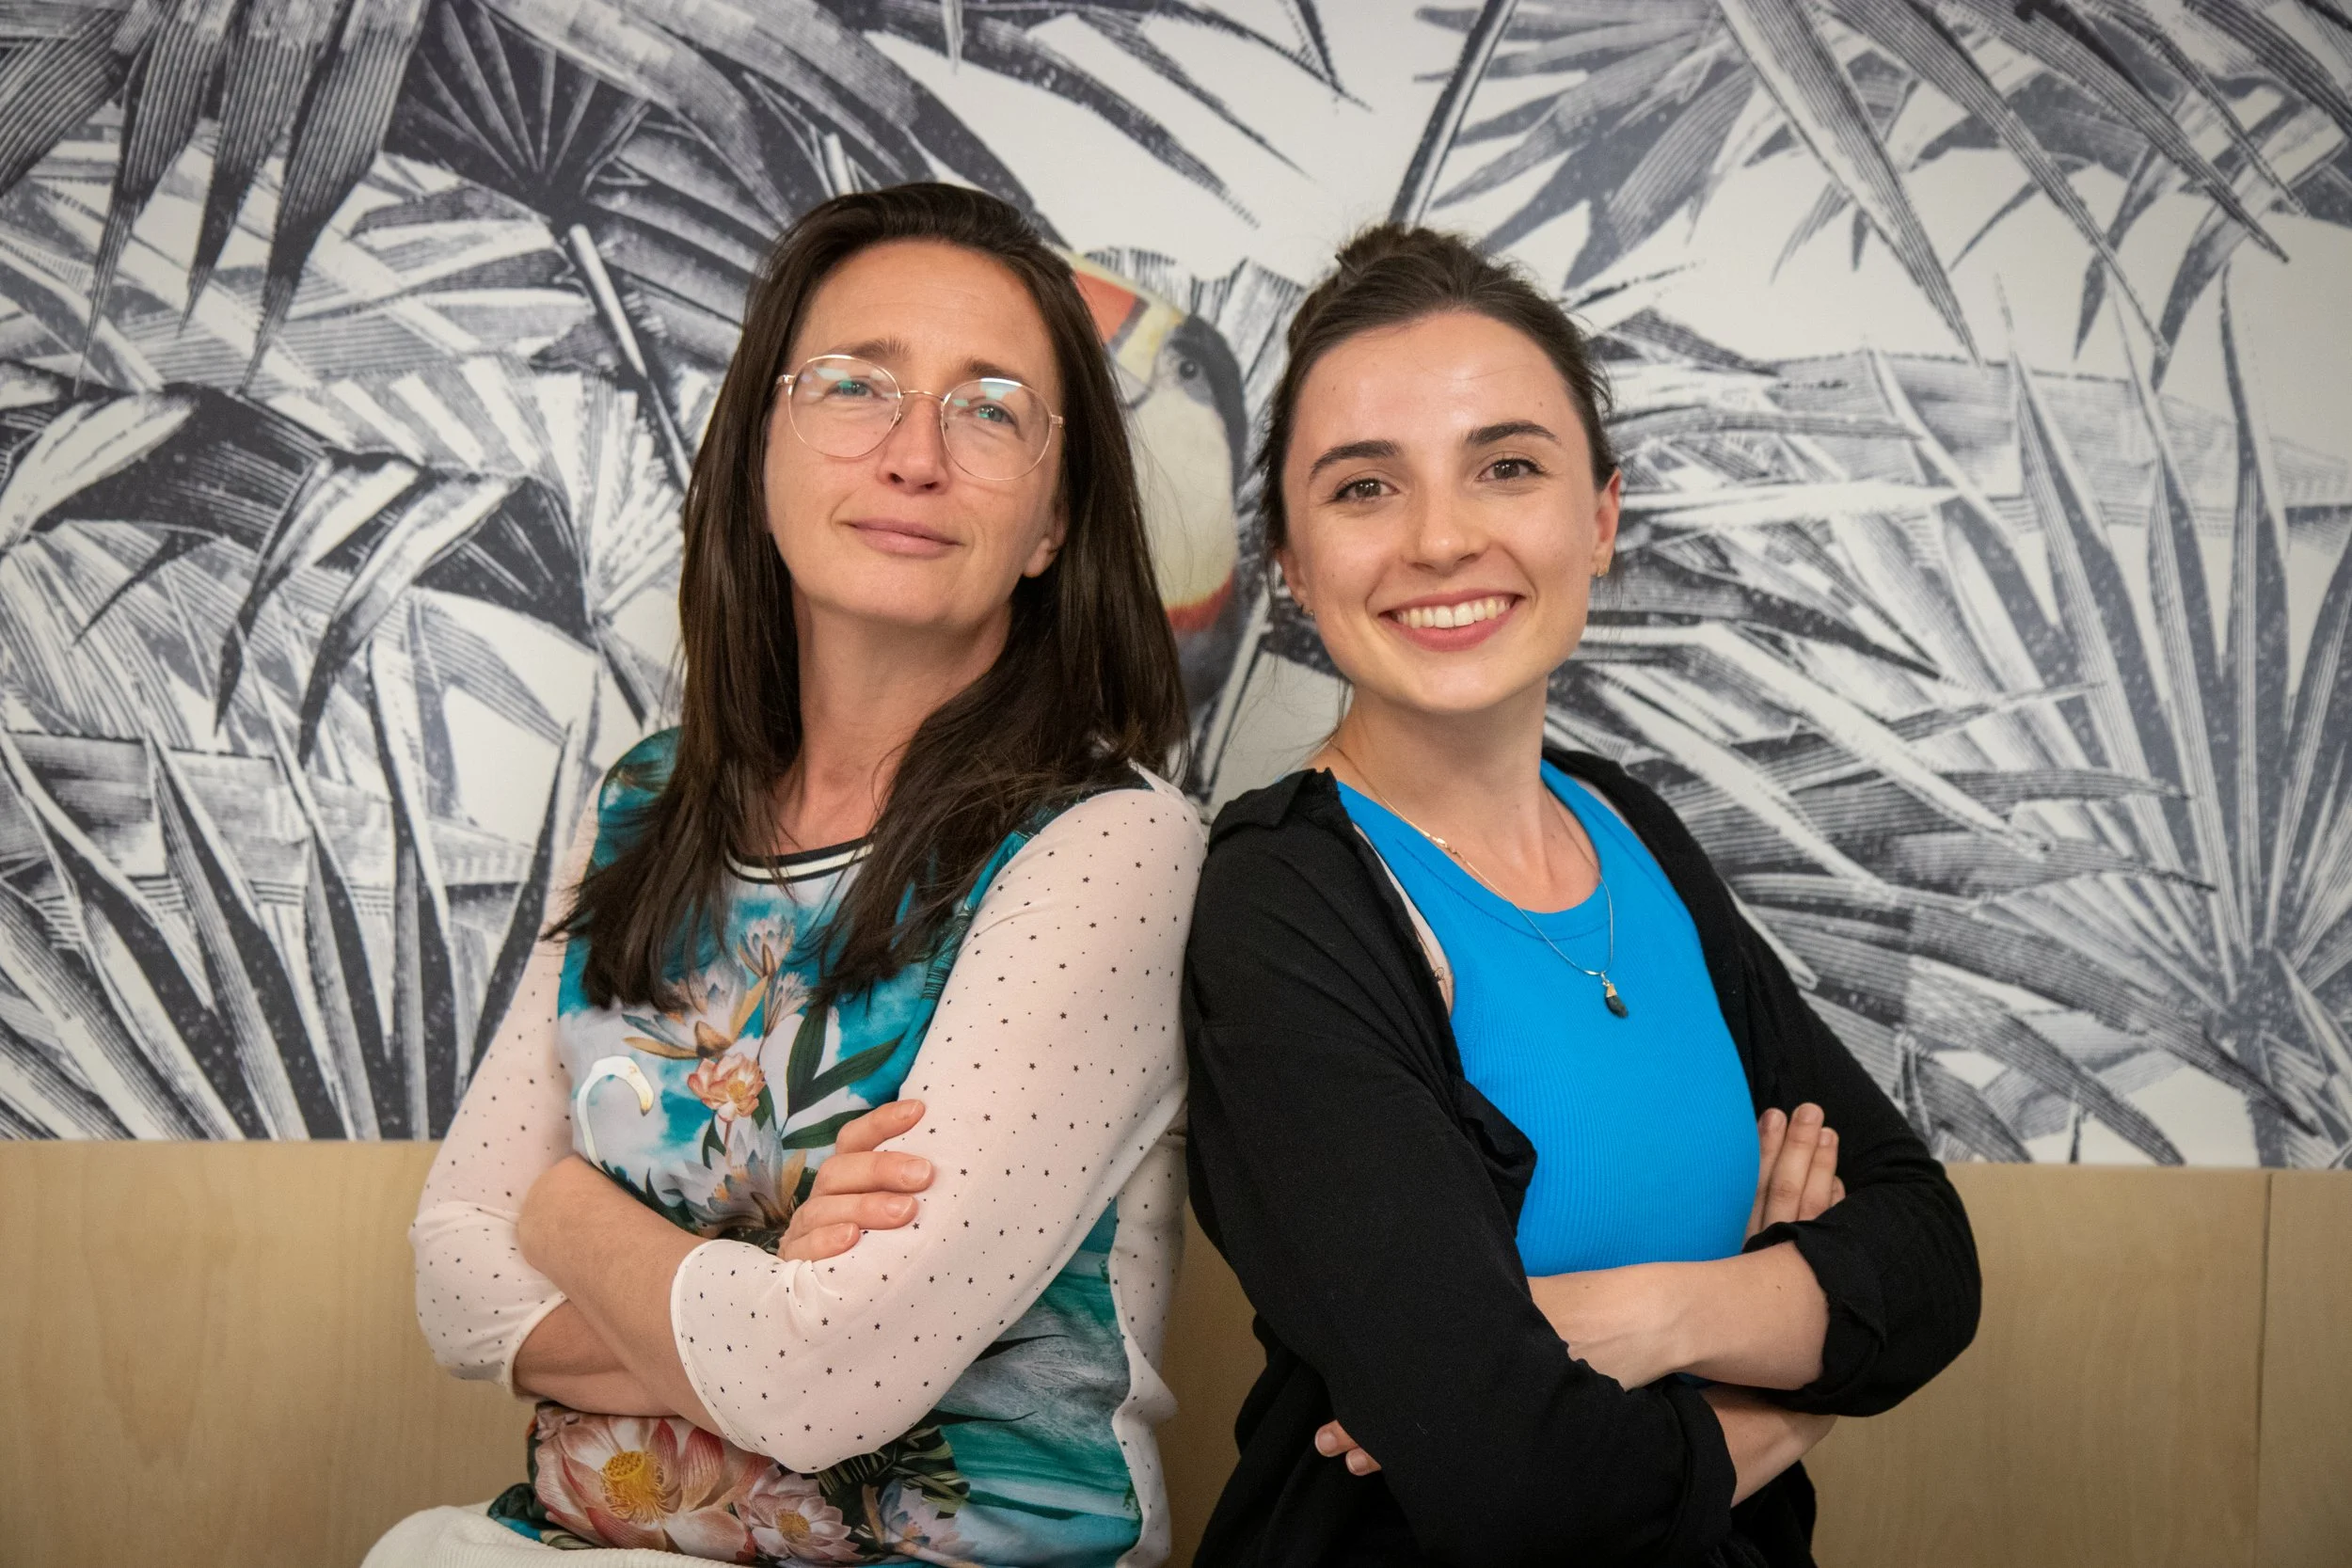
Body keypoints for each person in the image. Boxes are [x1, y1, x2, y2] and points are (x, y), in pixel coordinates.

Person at [375, 183, 1201, 1568]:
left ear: (1055, 521)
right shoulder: (647, 798)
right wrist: (763, 1305)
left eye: (991, 408)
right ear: (762, 446)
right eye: (855, 386)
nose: (914, 453)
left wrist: (570, 1204)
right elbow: (456, 1274)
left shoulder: (1112, 845)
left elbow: (828, 1382)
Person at [1180, 225, 1981, 1567]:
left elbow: (1929, 1256)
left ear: (1599, 518)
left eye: (1506, 466)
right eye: (1365, 487)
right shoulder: (1279, 904)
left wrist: (1656, 1314)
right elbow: (1523, 1478)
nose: (1442, 538)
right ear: (1293, 567)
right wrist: (1798, 1368)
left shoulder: (1630, 823)